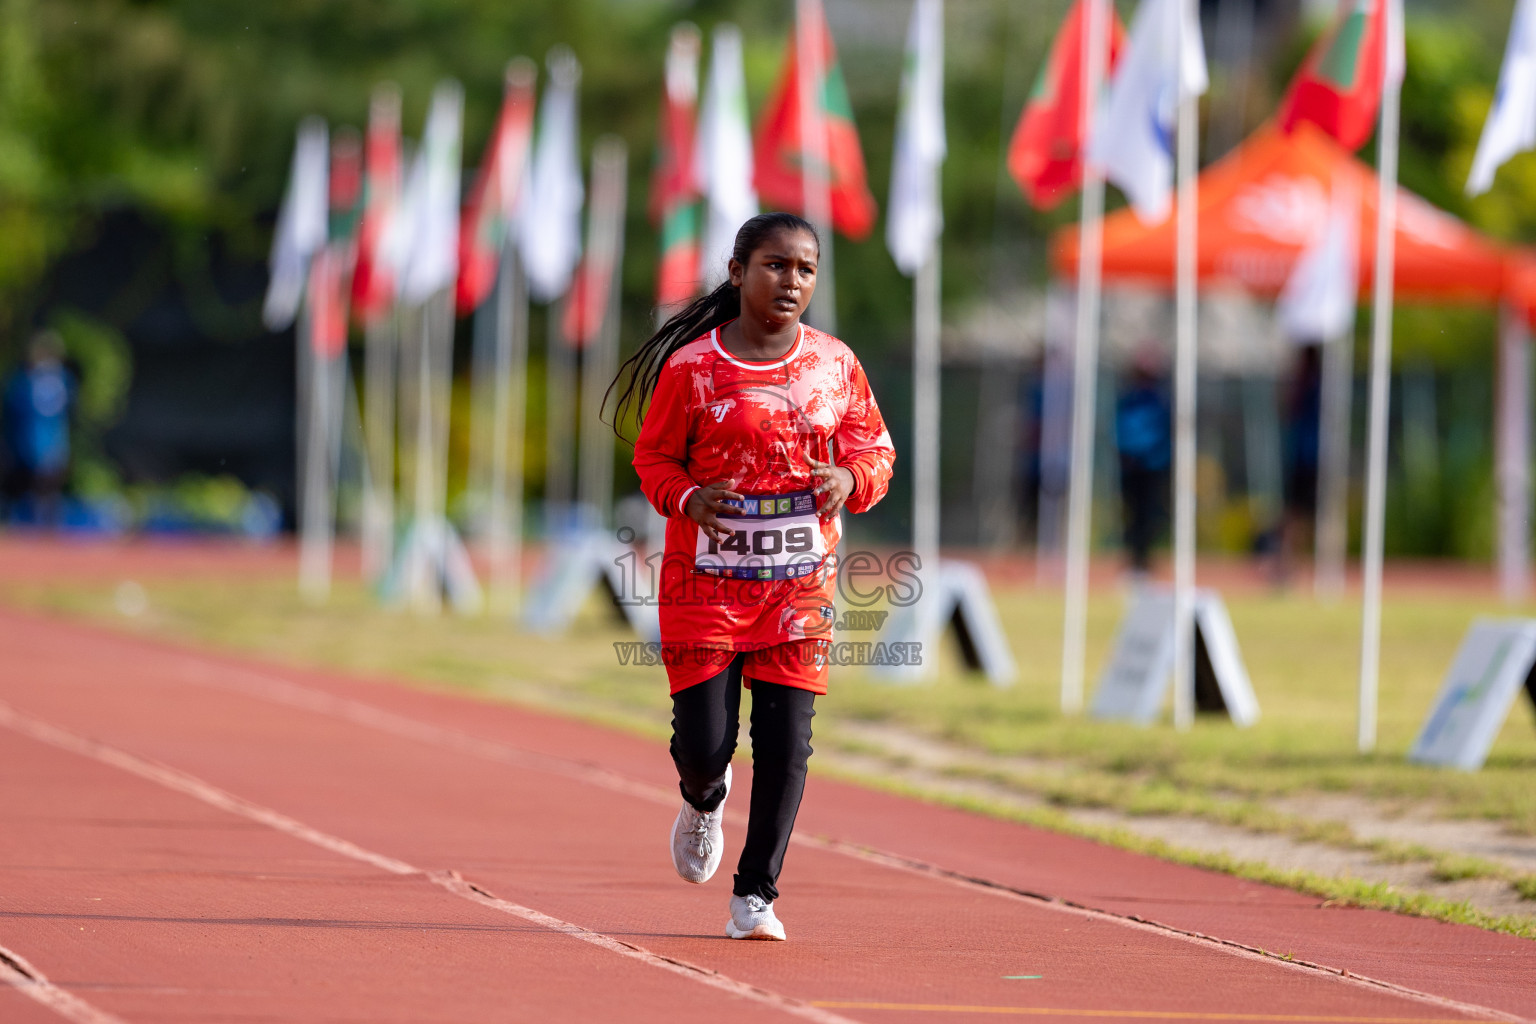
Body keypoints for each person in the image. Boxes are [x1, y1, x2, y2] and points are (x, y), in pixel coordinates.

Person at [611, 212, 895, 941]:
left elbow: (877, 451)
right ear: (738, 272)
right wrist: (687, 498)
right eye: (775, 265)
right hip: (704, 588)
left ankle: (755, 894)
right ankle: (703, 799)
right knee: (706, 744)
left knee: (786, 743)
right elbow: (653, 461)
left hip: (797, 591)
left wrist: (850, 476)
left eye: (805, 269)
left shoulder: (835, 364)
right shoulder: (693, 370)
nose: (790, 281)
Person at [2, 330, 76, 525]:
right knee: (41, 491)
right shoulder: (62, 379)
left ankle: (40, 531)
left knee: (37, 492)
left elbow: (13, 408)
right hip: (46, 442)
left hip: (36, 441)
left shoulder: (25, 380)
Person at [1115, 344, 1171, 576]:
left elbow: (1165, 432)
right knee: (1133, 514)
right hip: (1132, 465)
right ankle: (1135, 559)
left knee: (1153, 514)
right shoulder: (1129, 401)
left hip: (1154, 465)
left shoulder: (1160, 401)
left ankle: (1145, 558)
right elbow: (1121, 431)